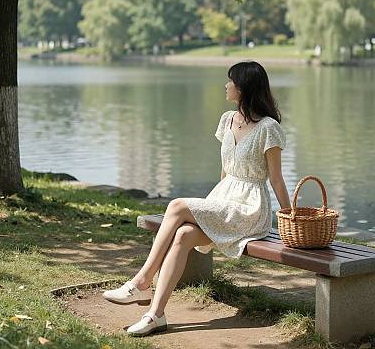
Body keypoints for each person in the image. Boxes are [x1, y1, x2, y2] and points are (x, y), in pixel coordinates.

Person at [102, 60, 291, 336]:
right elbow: (225, 170)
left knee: (177, 205)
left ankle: (141, 282)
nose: (226, 86)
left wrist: (289, 217)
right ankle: (156, 314)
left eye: (230, 81)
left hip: (250, 209)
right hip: (225, 200)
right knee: (183, 236)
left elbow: (275, 178)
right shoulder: (228, 119)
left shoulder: (268, 128)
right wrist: (211, 206)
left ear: (243, 88)